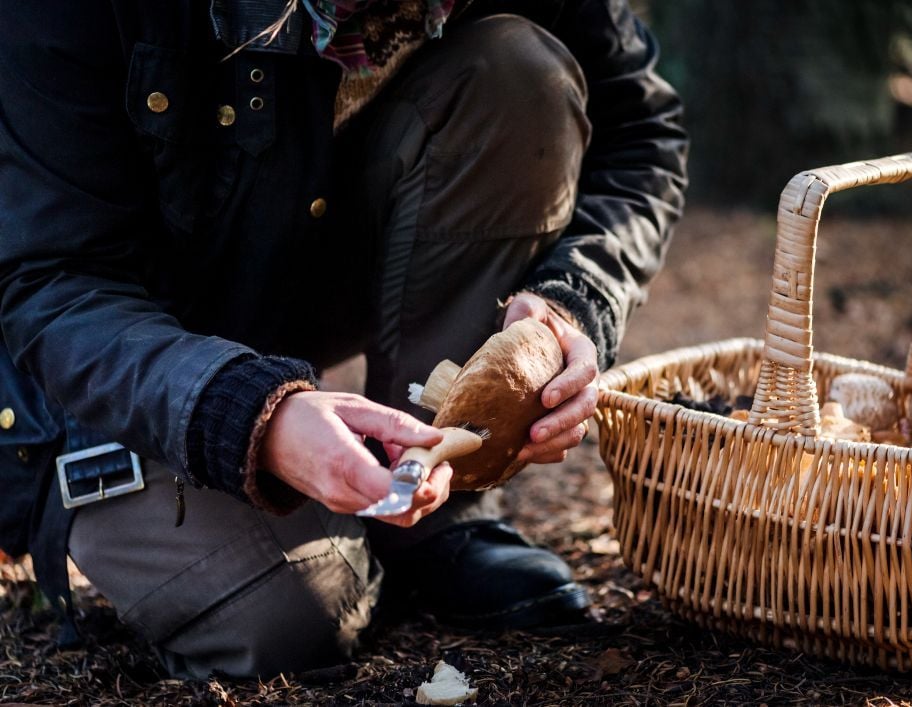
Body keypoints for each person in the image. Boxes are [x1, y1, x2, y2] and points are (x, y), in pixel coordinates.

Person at [0, 0, 687, 679]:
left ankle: (433, 511)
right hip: (97, 367)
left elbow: (639, 133)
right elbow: (54, 283)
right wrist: (248, 413)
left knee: (518, 71)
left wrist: (576, 298)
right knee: (293, 614)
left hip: (285, 261)